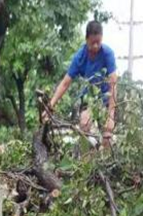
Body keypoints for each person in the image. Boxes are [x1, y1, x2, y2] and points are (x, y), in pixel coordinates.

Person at [46, 20, 118, 148]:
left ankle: (104, 162)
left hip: (106, 100)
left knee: (107, 136)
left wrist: (111, 116)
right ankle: (86, 165)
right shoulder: (79, 57)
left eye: (98, 42)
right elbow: (65, 83)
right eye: (92, 43)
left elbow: (113, 84)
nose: (96, 46)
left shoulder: (108, 53)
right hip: (89, 99)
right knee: (84, 125)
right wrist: (50, 105)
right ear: (86, 40)